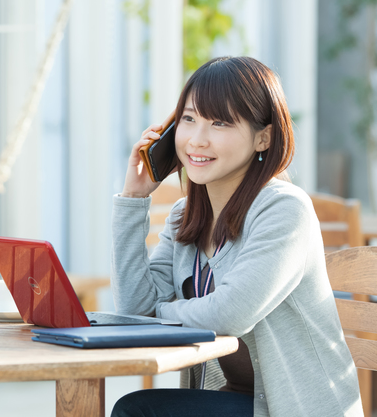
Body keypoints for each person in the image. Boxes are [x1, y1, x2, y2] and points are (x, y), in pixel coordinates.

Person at [110, 56, 362, 417]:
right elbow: (134, 311)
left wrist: (158, 316)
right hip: (239, 402)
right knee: (139, 408)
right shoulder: (186, 216)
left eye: (220, 123)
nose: (198, 139)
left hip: (294, 409)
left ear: (264, 137)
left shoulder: (284, 210)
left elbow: (230, 313)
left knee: (139, 410)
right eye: (189, 119)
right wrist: (134, 200)